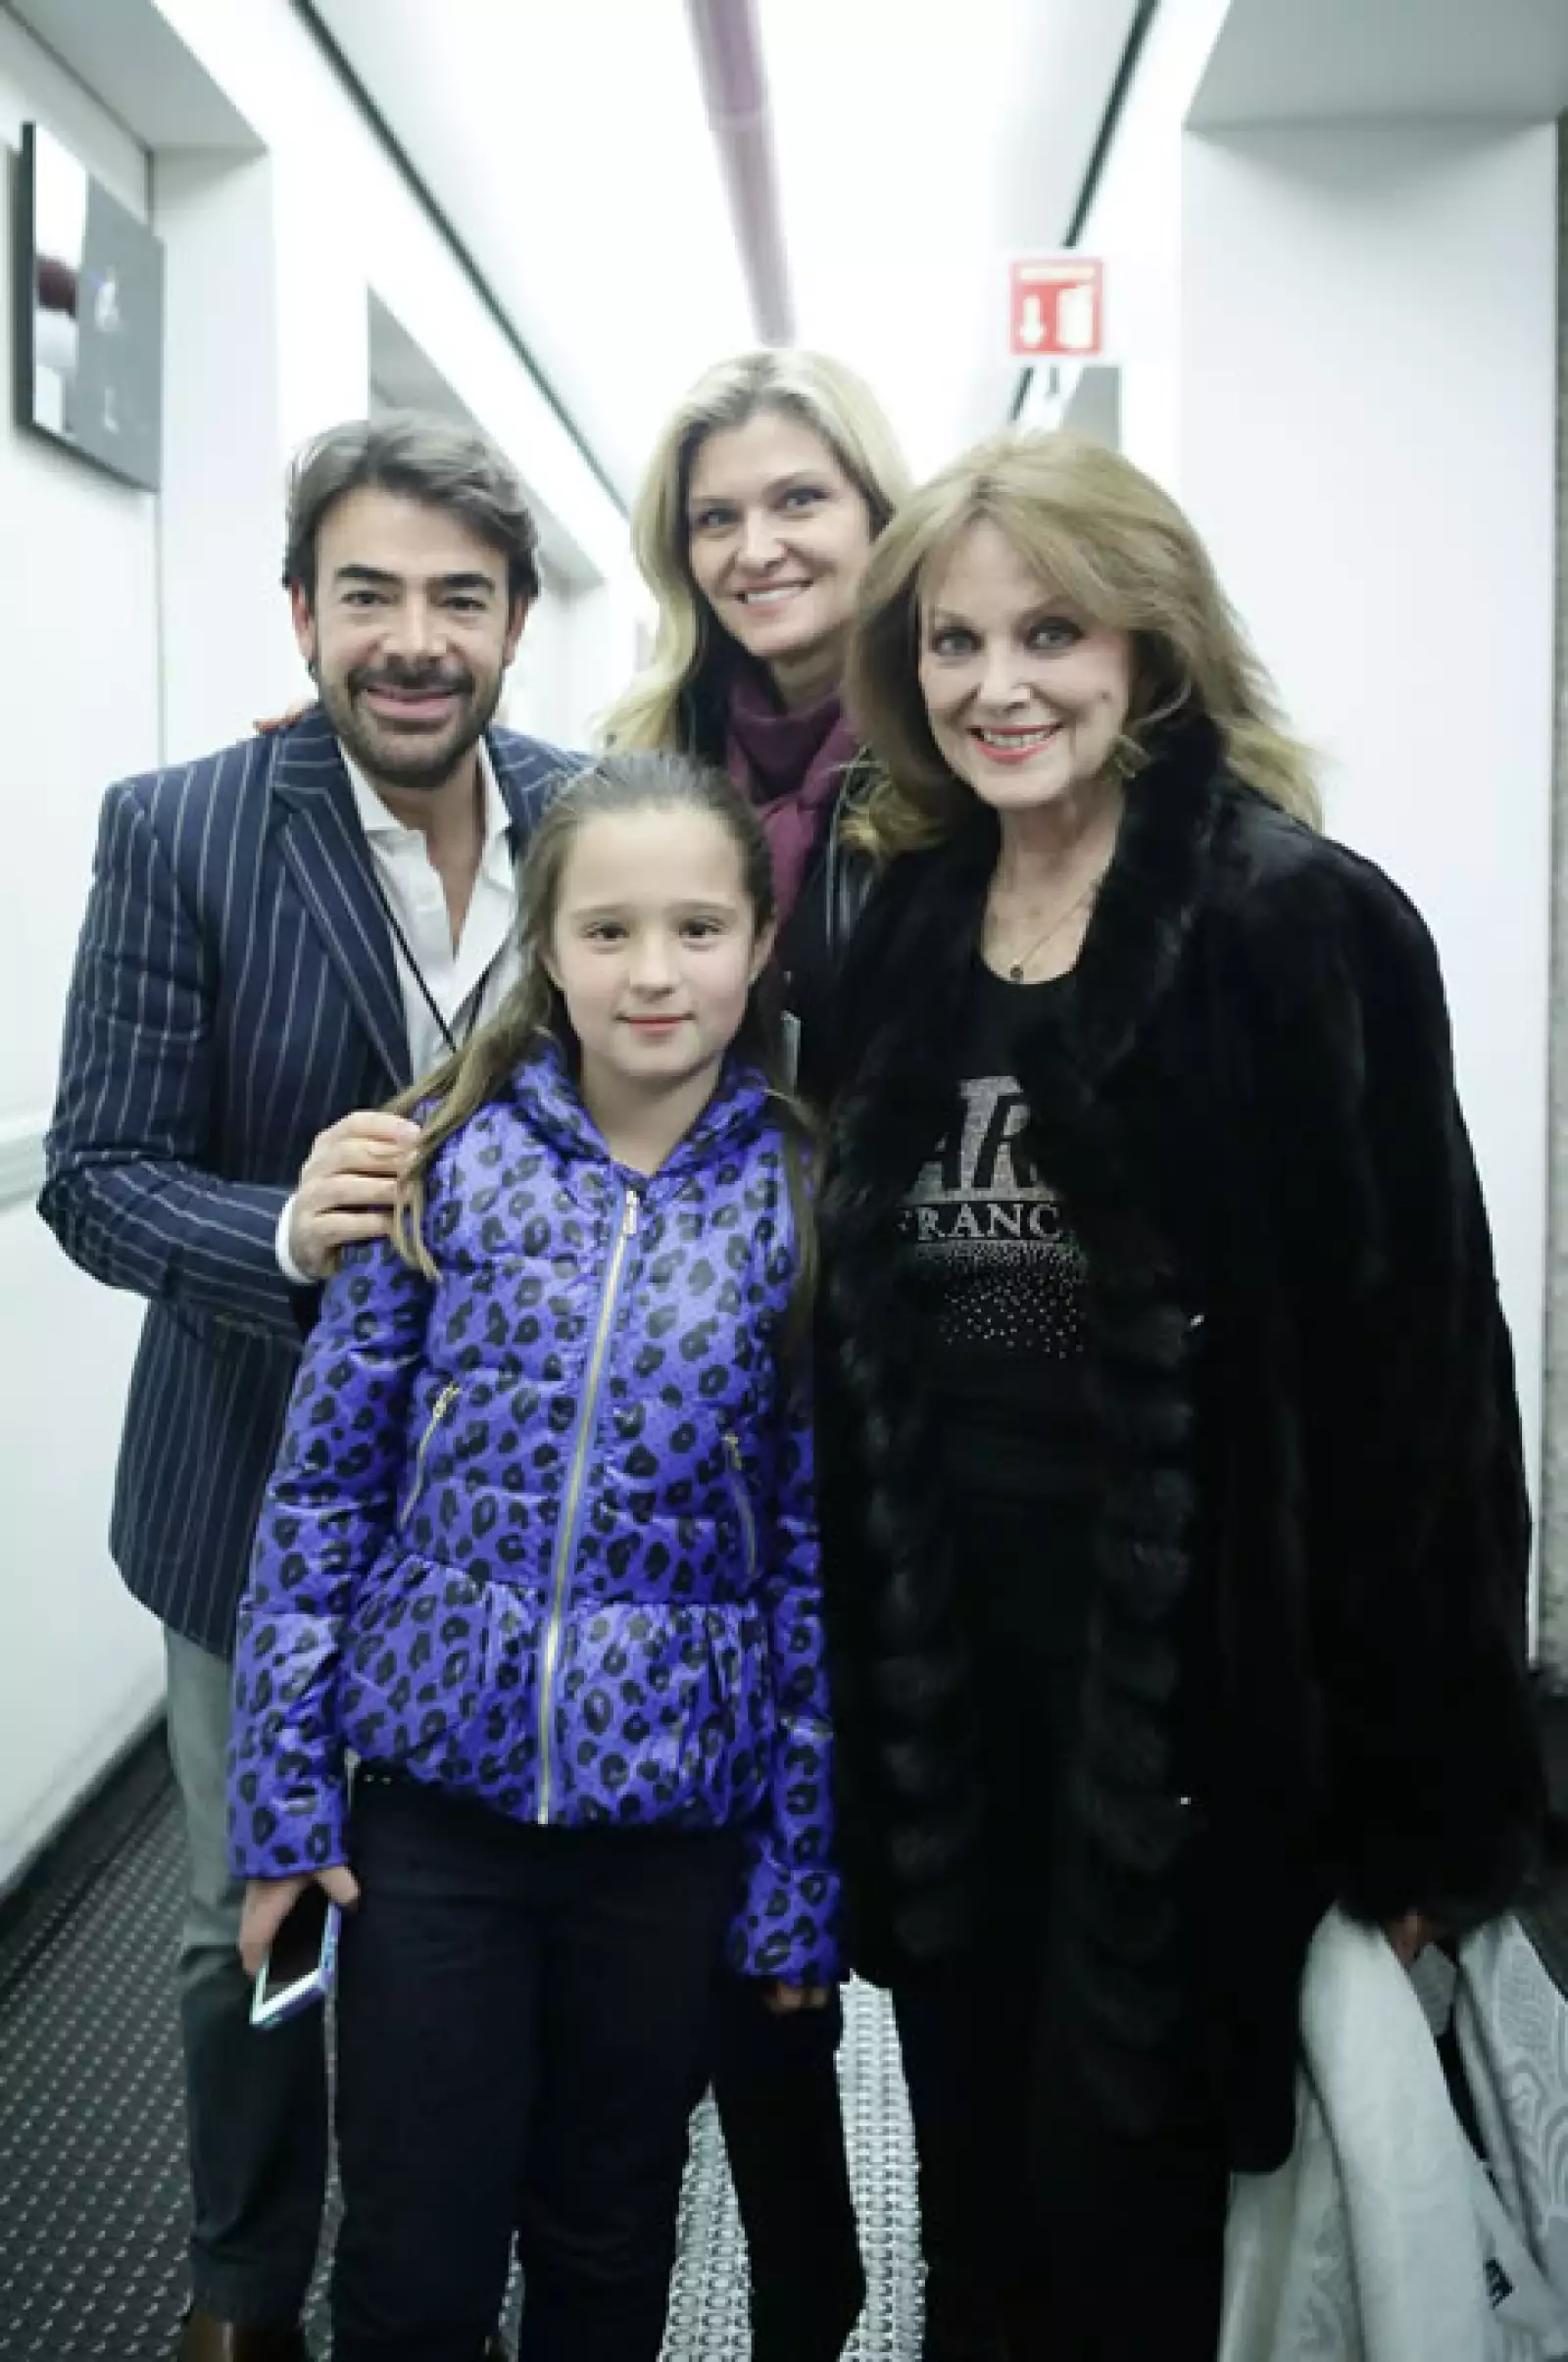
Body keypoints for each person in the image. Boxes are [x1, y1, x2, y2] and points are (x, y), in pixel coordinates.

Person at [811, 428, 1546, 2358]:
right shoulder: (896, 926)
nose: (998, 685)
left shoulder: (1296, 924)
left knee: (1150, 2222)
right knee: (970, 2189)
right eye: (953, 643)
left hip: (1203, 1703)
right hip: (953, 1684)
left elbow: (1428, 1390)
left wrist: (1423, 1810)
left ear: (1147, 643)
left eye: (1048, 629)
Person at [40, 413, 577, 2362]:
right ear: (302, 613)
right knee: (245, 1919)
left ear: (516, 620)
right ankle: (247, 2287)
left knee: (485, 1913)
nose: (411, 638)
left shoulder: (599, 812)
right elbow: (95, 1173)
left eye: (457, 596)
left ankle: (477, 2269)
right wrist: (281, 1229)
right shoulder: (180, 826)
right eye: (368, 595)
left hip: (527, 1517)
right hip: (249, 1491)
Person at [227, 751, 839, 2362]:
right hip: (434, 1825)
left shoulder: (800, 1196)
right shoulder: (444, 1157)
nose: (655, 971)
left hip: (668, 1837)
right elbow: (319, 1501)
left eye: (699, 926)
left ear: (761, 941)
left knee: (608, 2229)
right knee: (419, 2253)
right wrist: (283, 1802)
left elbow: (808, 1571)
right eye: (610, 929)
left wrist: (793, 1869)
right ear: (547, 948)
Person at [600, 347, 910, 2360]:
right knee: (727, 1933)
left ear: (871, 513)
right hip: (710, 1432)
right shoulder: (634, 763)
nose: (758, 542)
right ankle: (803, 2282)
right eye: (716, 512)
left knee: (931, 1901)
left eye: (798, 498)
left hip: (929, 1422)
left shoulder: (958, 763)